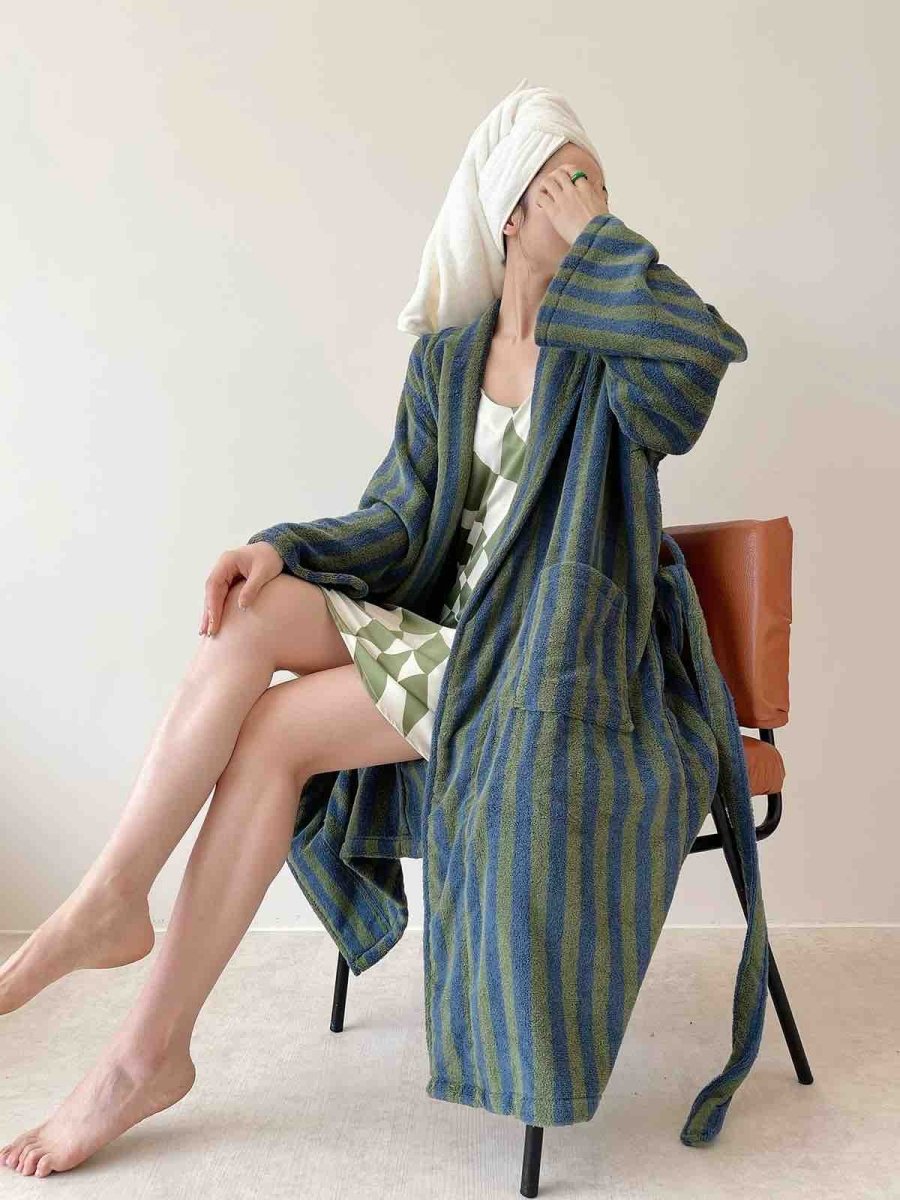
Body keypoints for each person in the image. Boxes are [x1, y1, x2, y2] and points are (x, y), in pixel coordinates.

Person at [0, 142, 610, 1178]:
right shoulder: (447, 363)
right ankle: (115, 907)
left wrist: (601, 239)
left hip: (531, 666)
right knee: (256, 606)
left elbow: (698, 357)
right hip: (446, 640)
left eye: (598, 187)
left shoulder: (611, 359)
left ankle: (139, 1047)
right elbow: (398, 519)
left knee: (273, 731)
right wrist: (279, 547)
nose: (590, 198)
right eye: (568, 182)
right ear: (511, 211)